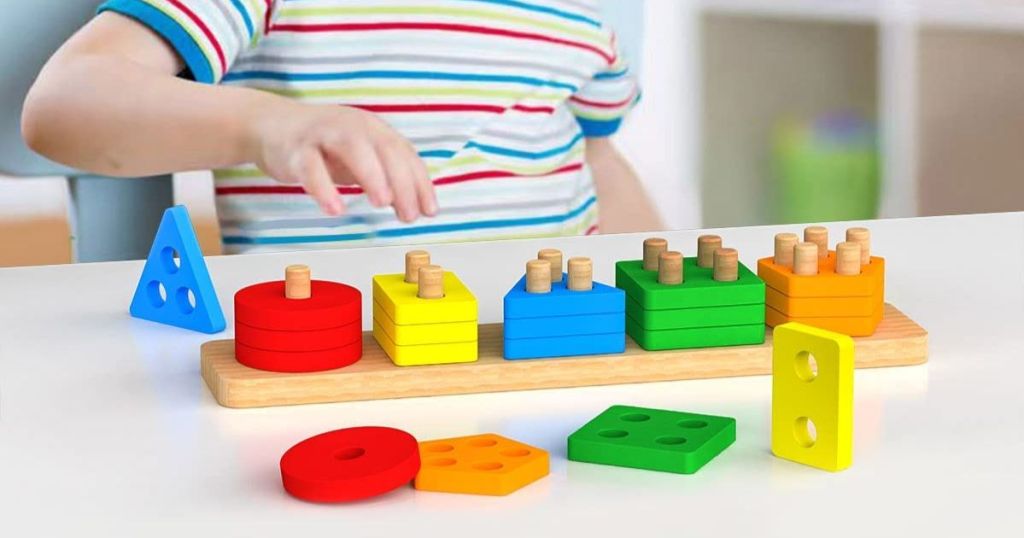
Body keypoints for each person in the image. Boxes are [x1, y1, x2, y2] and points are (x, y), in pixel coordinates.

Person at [23, 0, 662, 252]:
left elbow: (599, 162)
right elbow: (63, 105)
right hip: (330, 368)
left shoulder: (581, 18)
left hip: (547, 360)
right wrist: (270, 125)